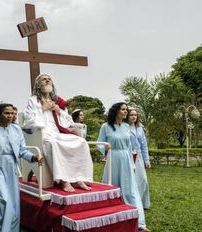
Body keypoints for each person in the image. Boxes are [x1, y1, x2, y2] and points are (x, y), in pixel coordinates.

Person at [23, 73, 93, 192]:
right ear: (38, 85)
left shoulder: (57, 101)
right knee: (53, 144)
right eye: (44, 79)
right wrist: (43, 108)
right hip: (42, 133)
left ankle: (78, 178)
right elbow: (29, 121)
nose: (47, 81)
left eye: (49, 79)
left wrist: (58, 110)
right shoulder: (33, 100)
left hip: (57, 132)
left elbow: (68, 121)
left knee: (81, 142)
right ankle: (63, 181)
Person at [0, 103, 43, 232]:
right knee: (4, 199)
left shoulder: (16, 129)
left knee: (13, 202)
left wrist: (33, 157)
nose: (10, 116)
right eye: (7, 113)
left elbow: (22, 151)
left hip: (12, 166)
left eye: (12, 113)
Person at [97, 102, 149, 232]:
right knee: (112, 188)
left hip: (126, 159)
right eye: (123, 109)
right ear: (116, 111)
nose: (126, 112)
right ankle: (111, 218)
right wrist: (105, 147)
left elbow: (130, 147)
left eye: (126, 110)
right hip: (113, 159)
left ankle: (140, 223)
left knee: (131, 190)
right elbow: (99, 143)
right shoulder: (106, 126)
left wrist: (132, 163)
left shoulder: (127, 127)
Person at [127, 108, 151, 209]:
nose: (134, 117)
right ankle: (132, 203)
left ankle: (142, 202)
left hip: (139, 157)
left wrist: (147, 160)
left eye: (135, 115)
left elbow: (144, 145)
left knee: (143, 179)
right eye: (131, 115)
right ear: (128, 116)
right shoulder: (124, 128)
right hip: (129, 156)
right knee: (132, 180)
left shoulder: (140, 129)